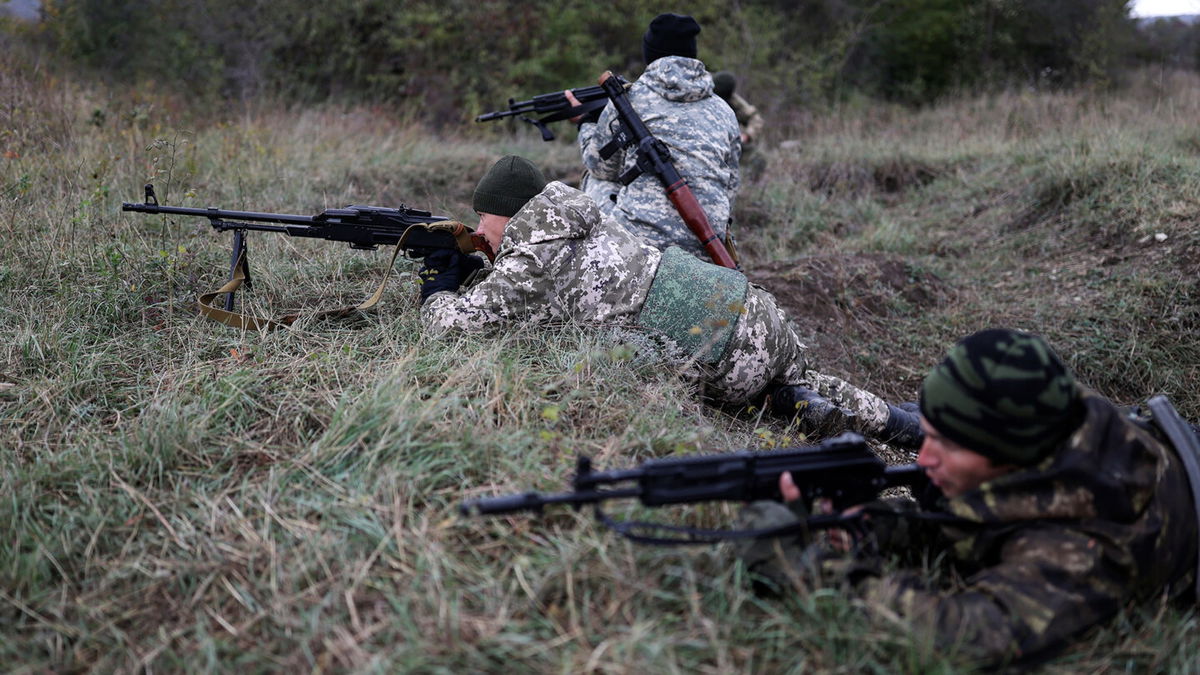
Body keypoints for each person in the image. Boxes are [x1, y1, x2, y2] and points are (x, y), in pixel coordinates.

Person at [737, 328, 1200, 666]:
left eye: (950, 445)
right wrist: (875, 523)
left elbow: (957, 639)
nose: (924, 460)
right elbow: (985, 516)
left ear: (1008, 457)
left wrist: (806, 570)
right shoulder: (1051, 413)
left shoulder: (1084, 545)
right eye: (929, 434)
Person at [417, 155, 921, 447]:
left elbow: (455, 327)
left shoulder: (532, 263)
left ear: (511, 214)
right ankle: (904, 426)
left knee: (751, 388)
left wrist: (438, 289)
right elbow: (564, 284)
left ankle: (779, 400)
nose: (479, 227)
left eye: (484, 217)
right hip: (747, 302)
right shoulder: (586, 217)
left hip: (720, 352)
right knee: (801, 375)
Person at [569, 13, 740, 260]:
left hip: (642, 245)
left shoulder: (628, 100)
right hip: (706, 243)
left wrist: (585, 123)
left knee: (596, 181)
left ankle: (595, 261)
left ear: (650, 54)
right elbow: (731, 185)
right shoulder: (724, 110)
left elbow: (600, 167)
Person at [711, 71, 766, 181]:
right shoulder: (701, 93)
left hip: (727, 142)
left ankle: (749, 187)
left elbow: (754, 118)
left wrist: (747, 135)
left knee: (758, 158)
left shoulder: (733, 101)